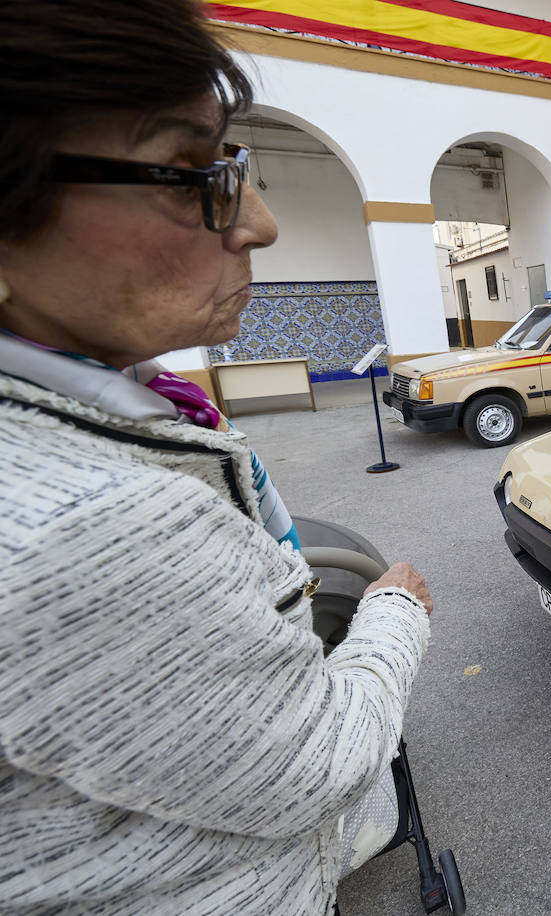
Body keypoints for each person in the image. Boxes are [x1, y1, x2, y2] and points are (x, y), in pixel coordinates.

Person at [0, 2, 435, 912]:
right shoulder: (92, 526)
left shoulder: (113, 404)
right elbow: (317, 760)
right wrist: (394, 614)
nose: (260, 225)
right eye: (192, 171)